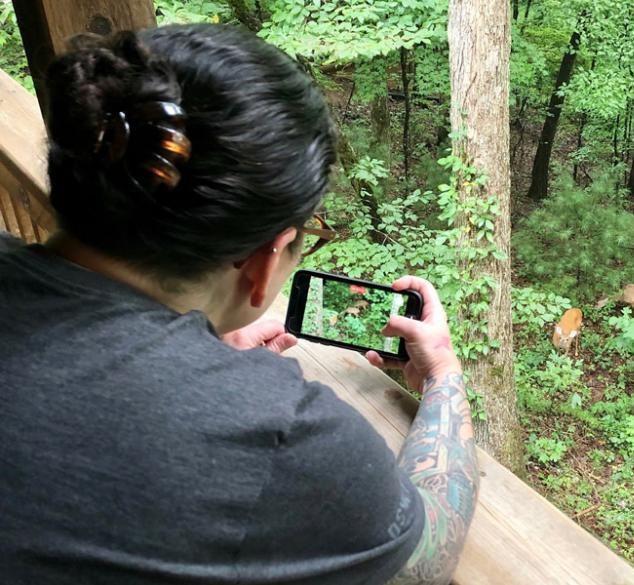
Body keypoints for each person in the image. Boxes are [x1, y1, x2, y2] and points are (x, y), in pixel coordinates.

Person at [0, 24, 478, 585]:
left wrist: (189, 347)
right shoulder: (275, 431)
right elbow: (425, 555)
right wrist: (443, 373)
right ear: (265, 261)